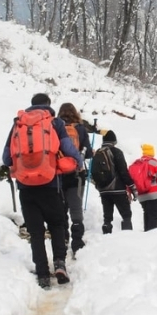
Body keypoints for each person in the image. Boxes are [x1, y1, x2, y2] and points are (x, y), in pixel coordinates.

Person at [2, 93, 79, 289]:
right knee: (57, 225)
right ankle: (59, 264)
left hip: (26, 187)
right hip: (50, 184)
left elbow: (6, 158)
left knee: (36, 233)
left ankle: (43, 274)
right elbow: (68, 147)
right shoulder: (55, 122)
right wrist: (78, 161)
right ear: (48, 104)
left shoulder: (18, 124)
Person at [57, 102, 91, 256]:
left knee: (61, 208)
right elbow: (88, 153)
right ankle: (77, 243)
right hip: (76, 174)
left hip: (58, 174)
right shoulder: (80, 128)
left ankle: (63, 239)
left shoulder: (55, 127)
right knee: (76, 209)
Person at [94, 129, 137, 233]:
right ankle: (127, 235)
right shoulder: (117, 152)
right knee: (126, 215)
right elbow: (123, 171)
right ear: (114, 141)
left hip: (103, 190)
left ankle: (106, 234)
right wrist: (132, 186)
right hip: (118, 189)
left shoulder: (98, 153)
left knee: (107, 217)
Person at [129, 143, 157, 231]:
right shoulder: (154, 162)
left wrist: (129, 192)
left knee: (147, 214)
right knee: (153, 217)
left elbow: (130, 179)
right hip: (154, 194)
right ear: (152, 152)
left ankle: (146, 233)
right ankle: (151, 236)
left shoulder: (136, 163)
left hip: (141, 195)